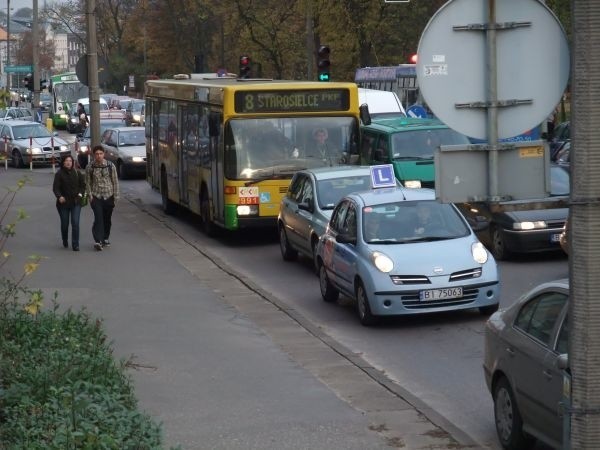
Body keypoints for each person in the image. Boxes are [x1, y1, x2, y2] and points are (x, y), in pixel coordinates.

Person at [85, 145, 119, 251]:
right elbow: (87, 182)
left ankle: (105, 237)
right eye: (96, 154)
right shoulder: (90, 167)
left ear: (104, 154)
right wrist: (90, 196)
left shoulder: (110, 166)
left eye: (100, 154)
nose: (99, 156)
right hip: (96, 196)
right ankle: (98, 240)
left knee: (107, 219)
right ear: (94, 155)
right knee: (98, 218)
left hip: (109, 195)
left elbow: (115, 181)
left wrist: (116, 196)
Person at [52, 155, 86, 251]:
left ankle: (75, 244)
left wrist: (80, 194)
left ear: (73, 162)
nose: (68, 162)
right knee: (65, 224)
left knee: (75, 222)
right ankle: (65, 239)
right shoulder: (59, 174)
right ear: (63, 162)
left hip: (76, 202)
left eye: (70, 161)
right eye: (66, 161)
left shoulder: (77, 173)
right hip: (63, 203)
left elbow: (83, 186)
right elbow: (56, 188)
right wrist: (59, 196)